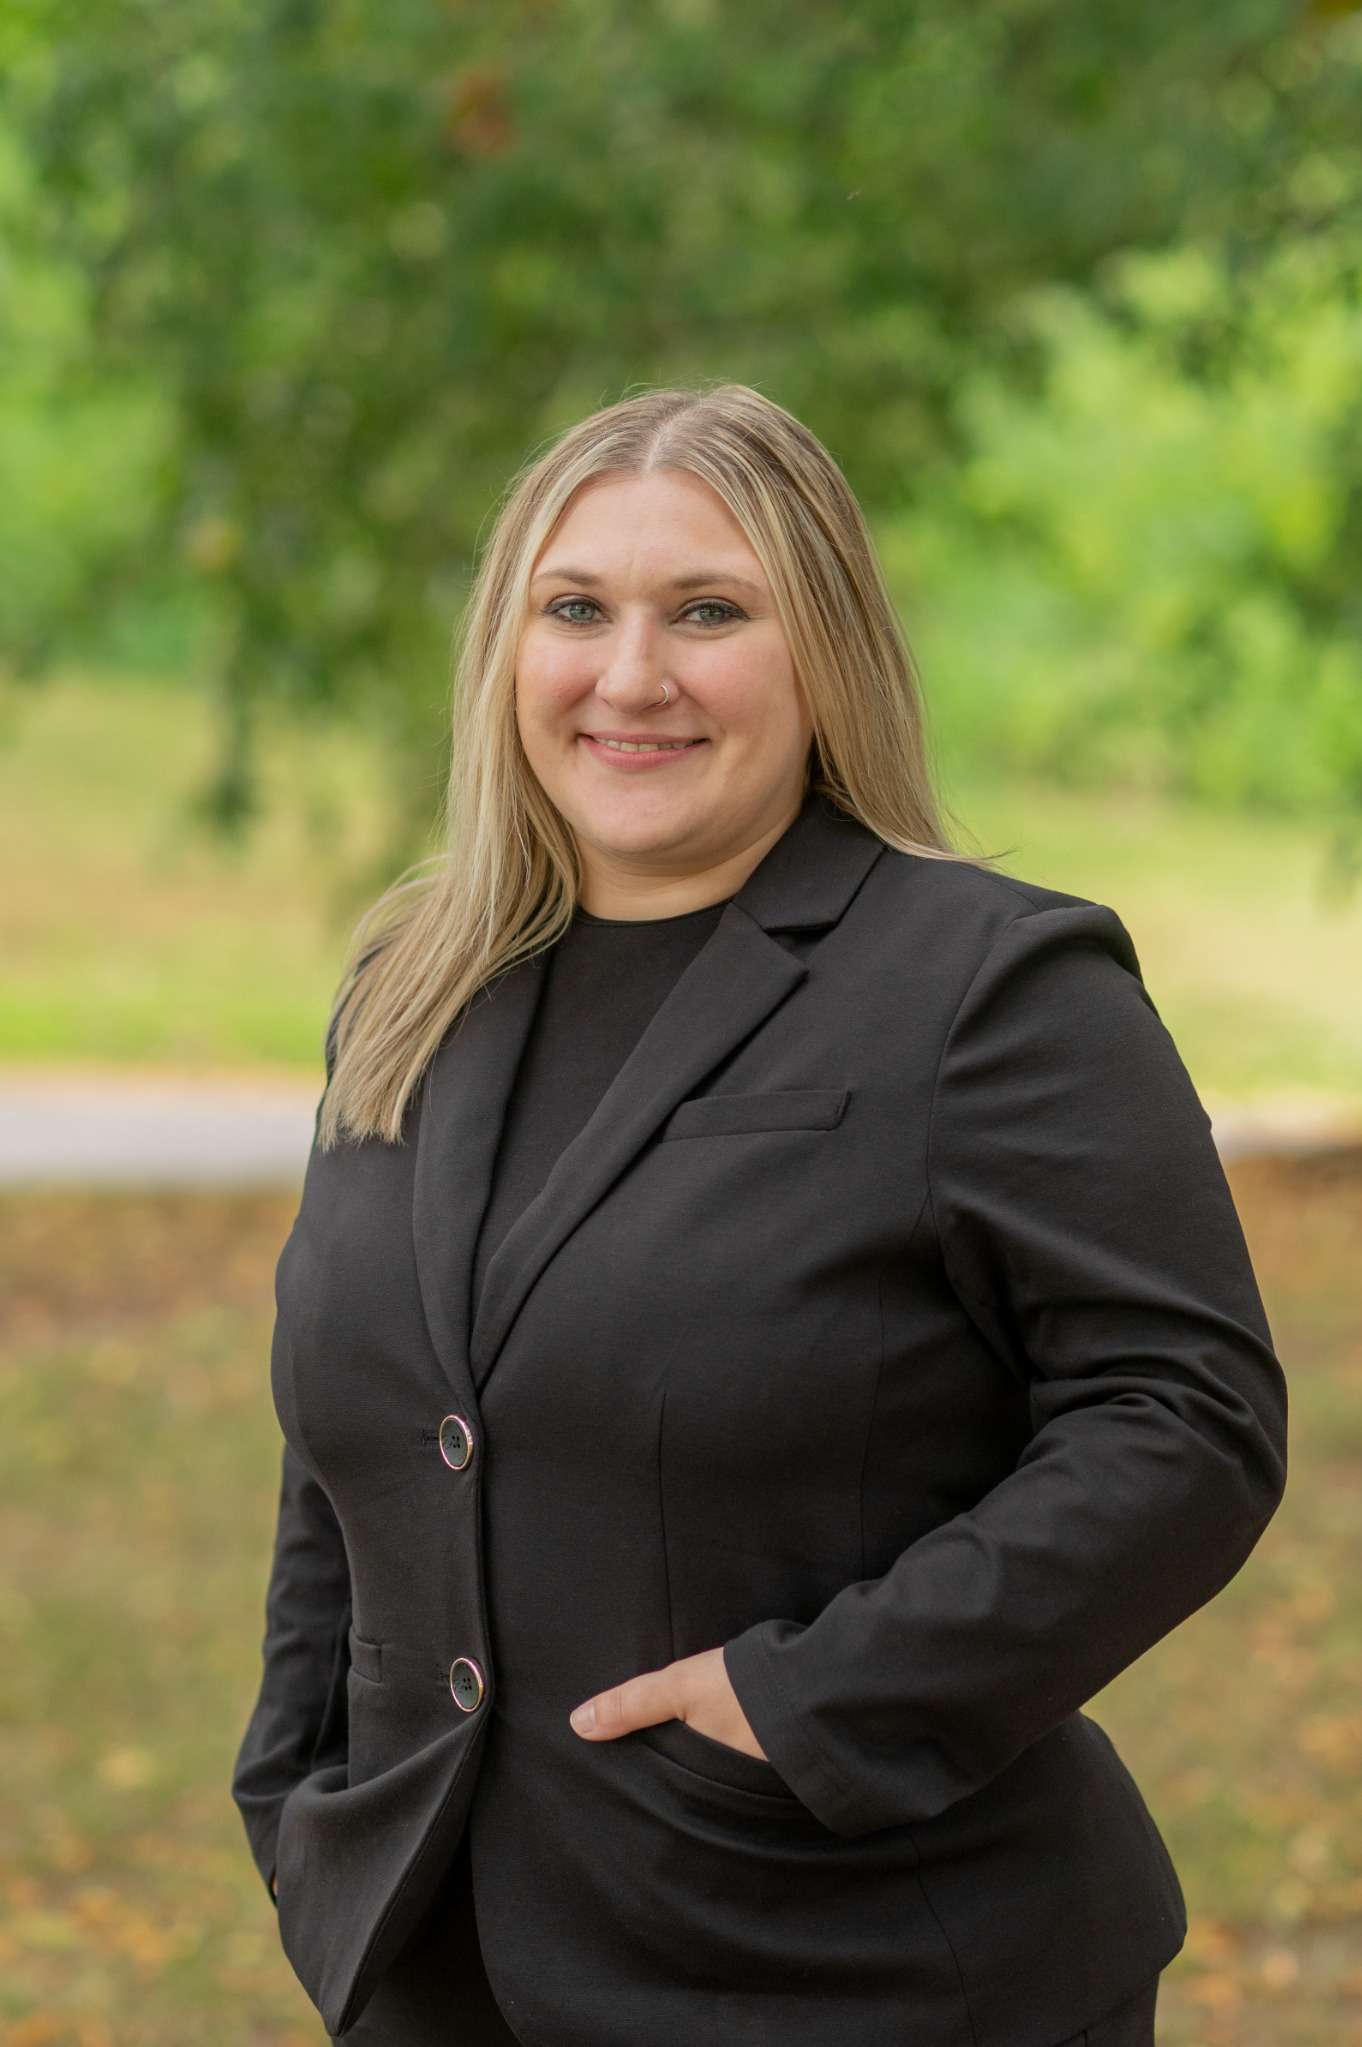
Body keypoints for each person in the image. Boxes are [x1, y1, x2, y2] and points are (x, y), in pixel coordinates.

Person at [231, 382, 1288, 2046]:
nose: (628, 673)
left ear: (823, 655)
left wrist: (801, 1709)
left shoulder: (990, 984)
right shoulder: (407, 988)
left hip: (852, 1968)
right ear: (508, 652)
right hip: (435, 1964)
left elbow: (1184, 1423)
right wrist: (299, 1788)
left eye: (707, 612)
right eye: (574, 609)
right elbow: (367, 1429)